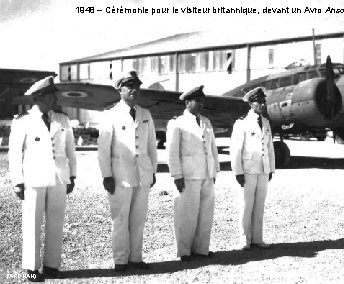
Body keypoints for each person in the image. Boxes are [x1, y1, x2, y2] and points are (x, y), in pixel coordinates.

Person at [8, 76, 76, 282]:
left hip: (58, 177)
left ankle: (51, 265)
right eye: (50, 95)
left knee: (56, 222)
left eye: (54, 95)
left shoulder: (62, 119)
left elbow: (70, 150)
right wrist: (17, 181)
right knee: (32, 223)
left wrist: (72, 175)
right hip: (33, 179)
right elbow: (14, 154)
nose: (54, 98)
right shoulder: (24, 121)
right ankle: (31, 268)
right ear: (39, 97)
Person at [98, 71, 157, 272]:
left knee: (139, 219)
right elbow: (103, 149)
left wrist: (153, 171)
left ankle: (136, 258)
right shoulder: (110, 114)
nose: (134, 90)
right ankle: (121, 261)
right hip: (120, 175)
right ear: (120, 89)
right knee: (120, 219)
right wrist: (106, 175)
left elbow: (151, 146)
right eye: (129, 86)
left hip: (142, 174)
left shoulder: (145, 114)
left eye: (136, 86)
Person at [167, 85, 220, 261]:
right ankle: (184, 251)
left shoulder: (206, 121)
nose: (202, 104)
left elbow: (212, 148)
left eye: (203, 101)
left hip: (206, 173)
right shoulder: (178, 122)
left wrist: (215, 171)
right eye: (199, 101)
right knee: (186, 214)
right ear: (188, 102)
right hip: (188, 174)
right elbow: (172, 152)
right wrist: (177, 175)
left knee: (205, 214)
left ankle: (201, 249)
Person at [230, 86, 275, 250]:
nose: (262, 105)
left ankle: (257, 238)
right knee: (246, 205)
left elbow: (269, 147)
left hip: (263, 169)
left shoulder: (266, 122)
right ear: (251, 103)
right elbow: (235, 149)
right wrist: (238, 172)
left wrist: (271, 169)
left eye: (264, 102)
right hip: (248, 169)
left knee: (259, 205)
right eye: (259, 102)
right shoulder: (241, 122)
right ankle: (244, 239)